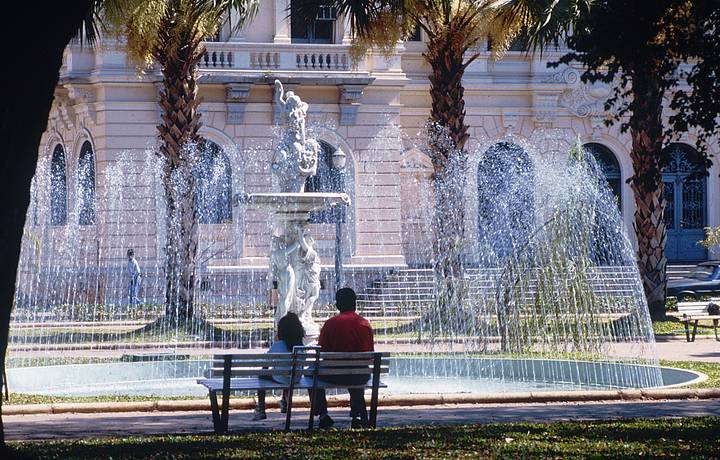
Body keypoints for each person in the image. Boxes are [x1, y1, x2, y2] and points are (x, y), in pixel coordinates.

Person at [313, 287, 374, 429]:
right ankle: (356, 415)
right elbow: (369, 351)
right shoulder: (364, 324)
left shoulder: (330, 324)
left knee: (311, 373)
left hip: (334, 375)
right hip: (360, 376)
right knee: (355, 371)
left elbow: (322, 351)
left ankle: (323, 414)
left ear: (337, 305)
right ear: (355, 303)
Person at [252, 312, 305, 421]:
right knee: (289, 373)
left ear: (282, 331)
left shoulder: (278, 345)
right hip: (295, 379)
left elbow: (266, 365)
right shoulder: (301, 347)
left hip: (281, 378)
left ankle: (261, 408)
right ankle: (285, 402)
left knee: (262, 376)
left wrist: (264, 371)